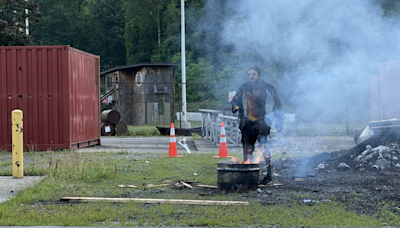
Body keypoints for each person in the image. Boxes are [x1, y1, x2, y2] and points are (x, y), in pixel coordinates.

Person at [231, 65, 284, 184]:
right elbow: (236, 99)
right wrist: (235, 105)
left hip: (261, 123)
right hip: (248, 123)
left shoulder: (267, 86)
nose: (251, 76)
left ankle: (269, 175)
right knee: (247, 149)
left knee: (264, 149)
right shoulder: (244, 86)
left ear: (258, 74)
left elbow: (278, 103)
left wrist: (279, 120)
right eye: (249, 74)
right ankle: (247, 175)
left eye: (253, 74)